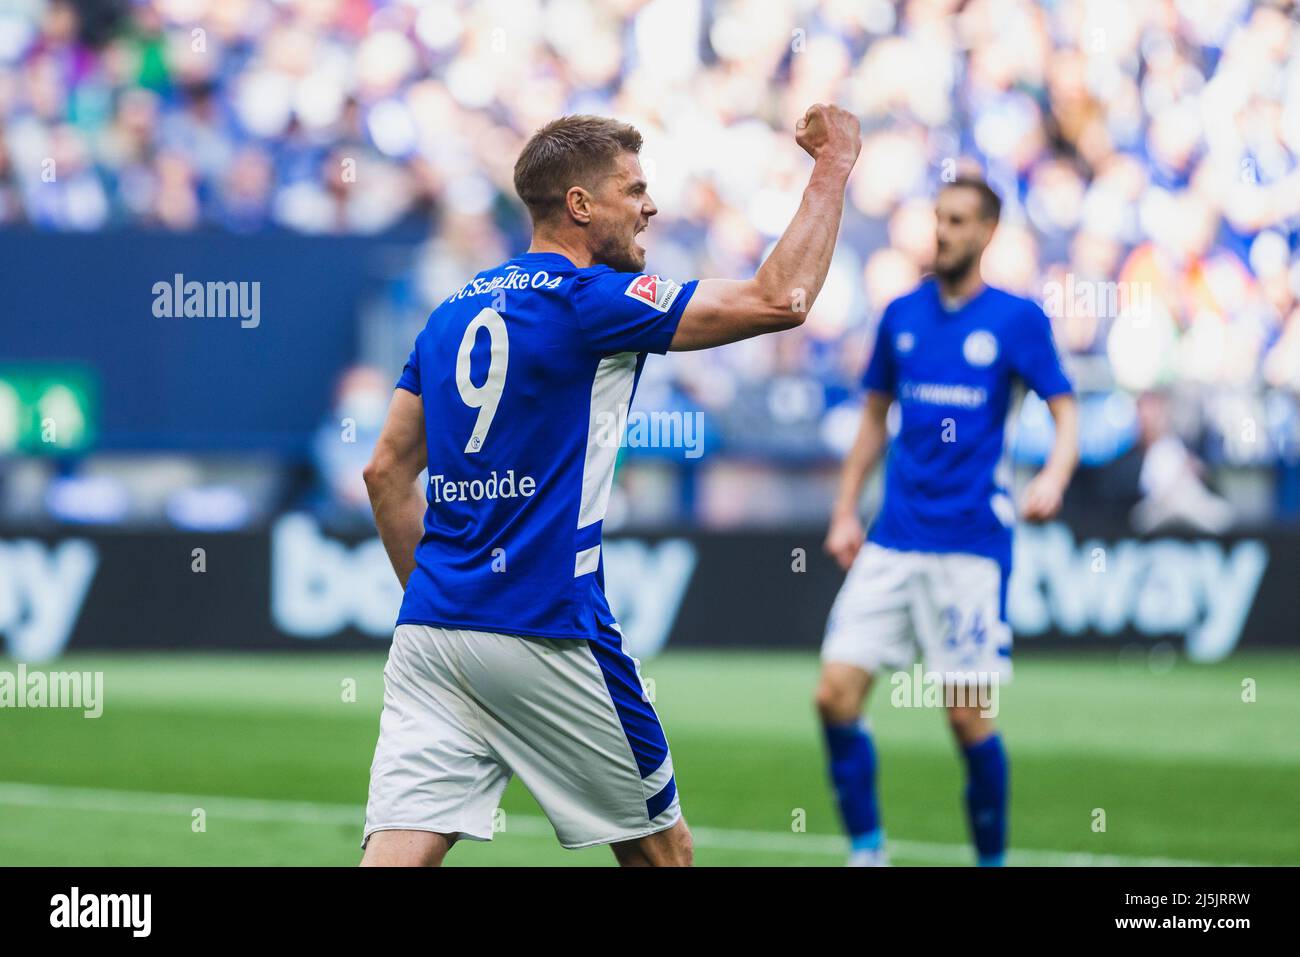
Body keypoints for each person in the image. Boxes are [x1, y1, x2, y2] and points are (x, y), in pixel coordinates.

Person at [360, 105, 861, 866]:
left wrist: (437, 597)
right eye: (634, 189)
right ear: (580, 205)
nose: (650, 205)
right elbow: (780, 299)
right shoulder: (586, 301)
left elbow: (384, 469)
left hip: (432, 632)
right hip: (545, 622)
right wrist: (834, 167)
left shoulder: (449, 312)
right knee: (664, 852)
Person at [816, 177, 1079, 866]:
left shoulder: (1016, 320)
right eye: (939, 218)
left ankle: (991, 860)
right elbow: (874, 417)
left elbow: (1065, 409)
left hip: (969, 546)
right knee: (833, 696)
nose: (944, 231)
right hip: (894, 537)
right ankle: (868, 851)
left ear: (988, 232)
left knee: (966, 718)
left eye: (959, 220)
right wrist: (846, 509)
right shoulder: (902, 314)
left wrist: (1052, 475)